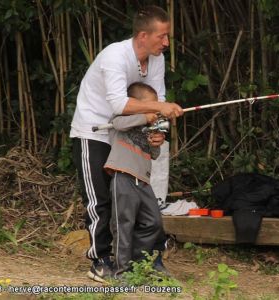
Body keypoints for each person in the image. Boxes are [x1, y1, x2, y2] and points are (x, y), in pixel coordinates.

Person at [69, 5, 182, 283]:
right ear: (143, 35)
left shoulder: (156, 60)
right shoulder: (115, 56)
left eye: (167, 37)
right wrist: (161, 108)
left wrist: (158, 131)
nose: (166, 43)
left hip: (131, 131)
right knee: (100, 199)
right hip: (94, 130)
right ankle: (102, 260)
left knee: (142, 200)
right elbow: (120, 103)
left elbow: (158, 100)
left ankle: (147, 258)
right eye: (162, 37)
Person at [105, 82, 168, 279]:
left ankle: (138, 264)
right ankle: (121, 271)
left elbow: (154, 154)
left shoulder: (148, 126)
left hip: (143, 180)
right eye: (150, 105)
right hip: (122, 175)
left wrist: (156, 142)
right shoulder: (122, 118)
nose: (155, 110)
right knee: (123, 223)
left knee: (153, 222)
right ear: (136, 104)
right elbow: (117, 124)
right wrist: (144, 116)